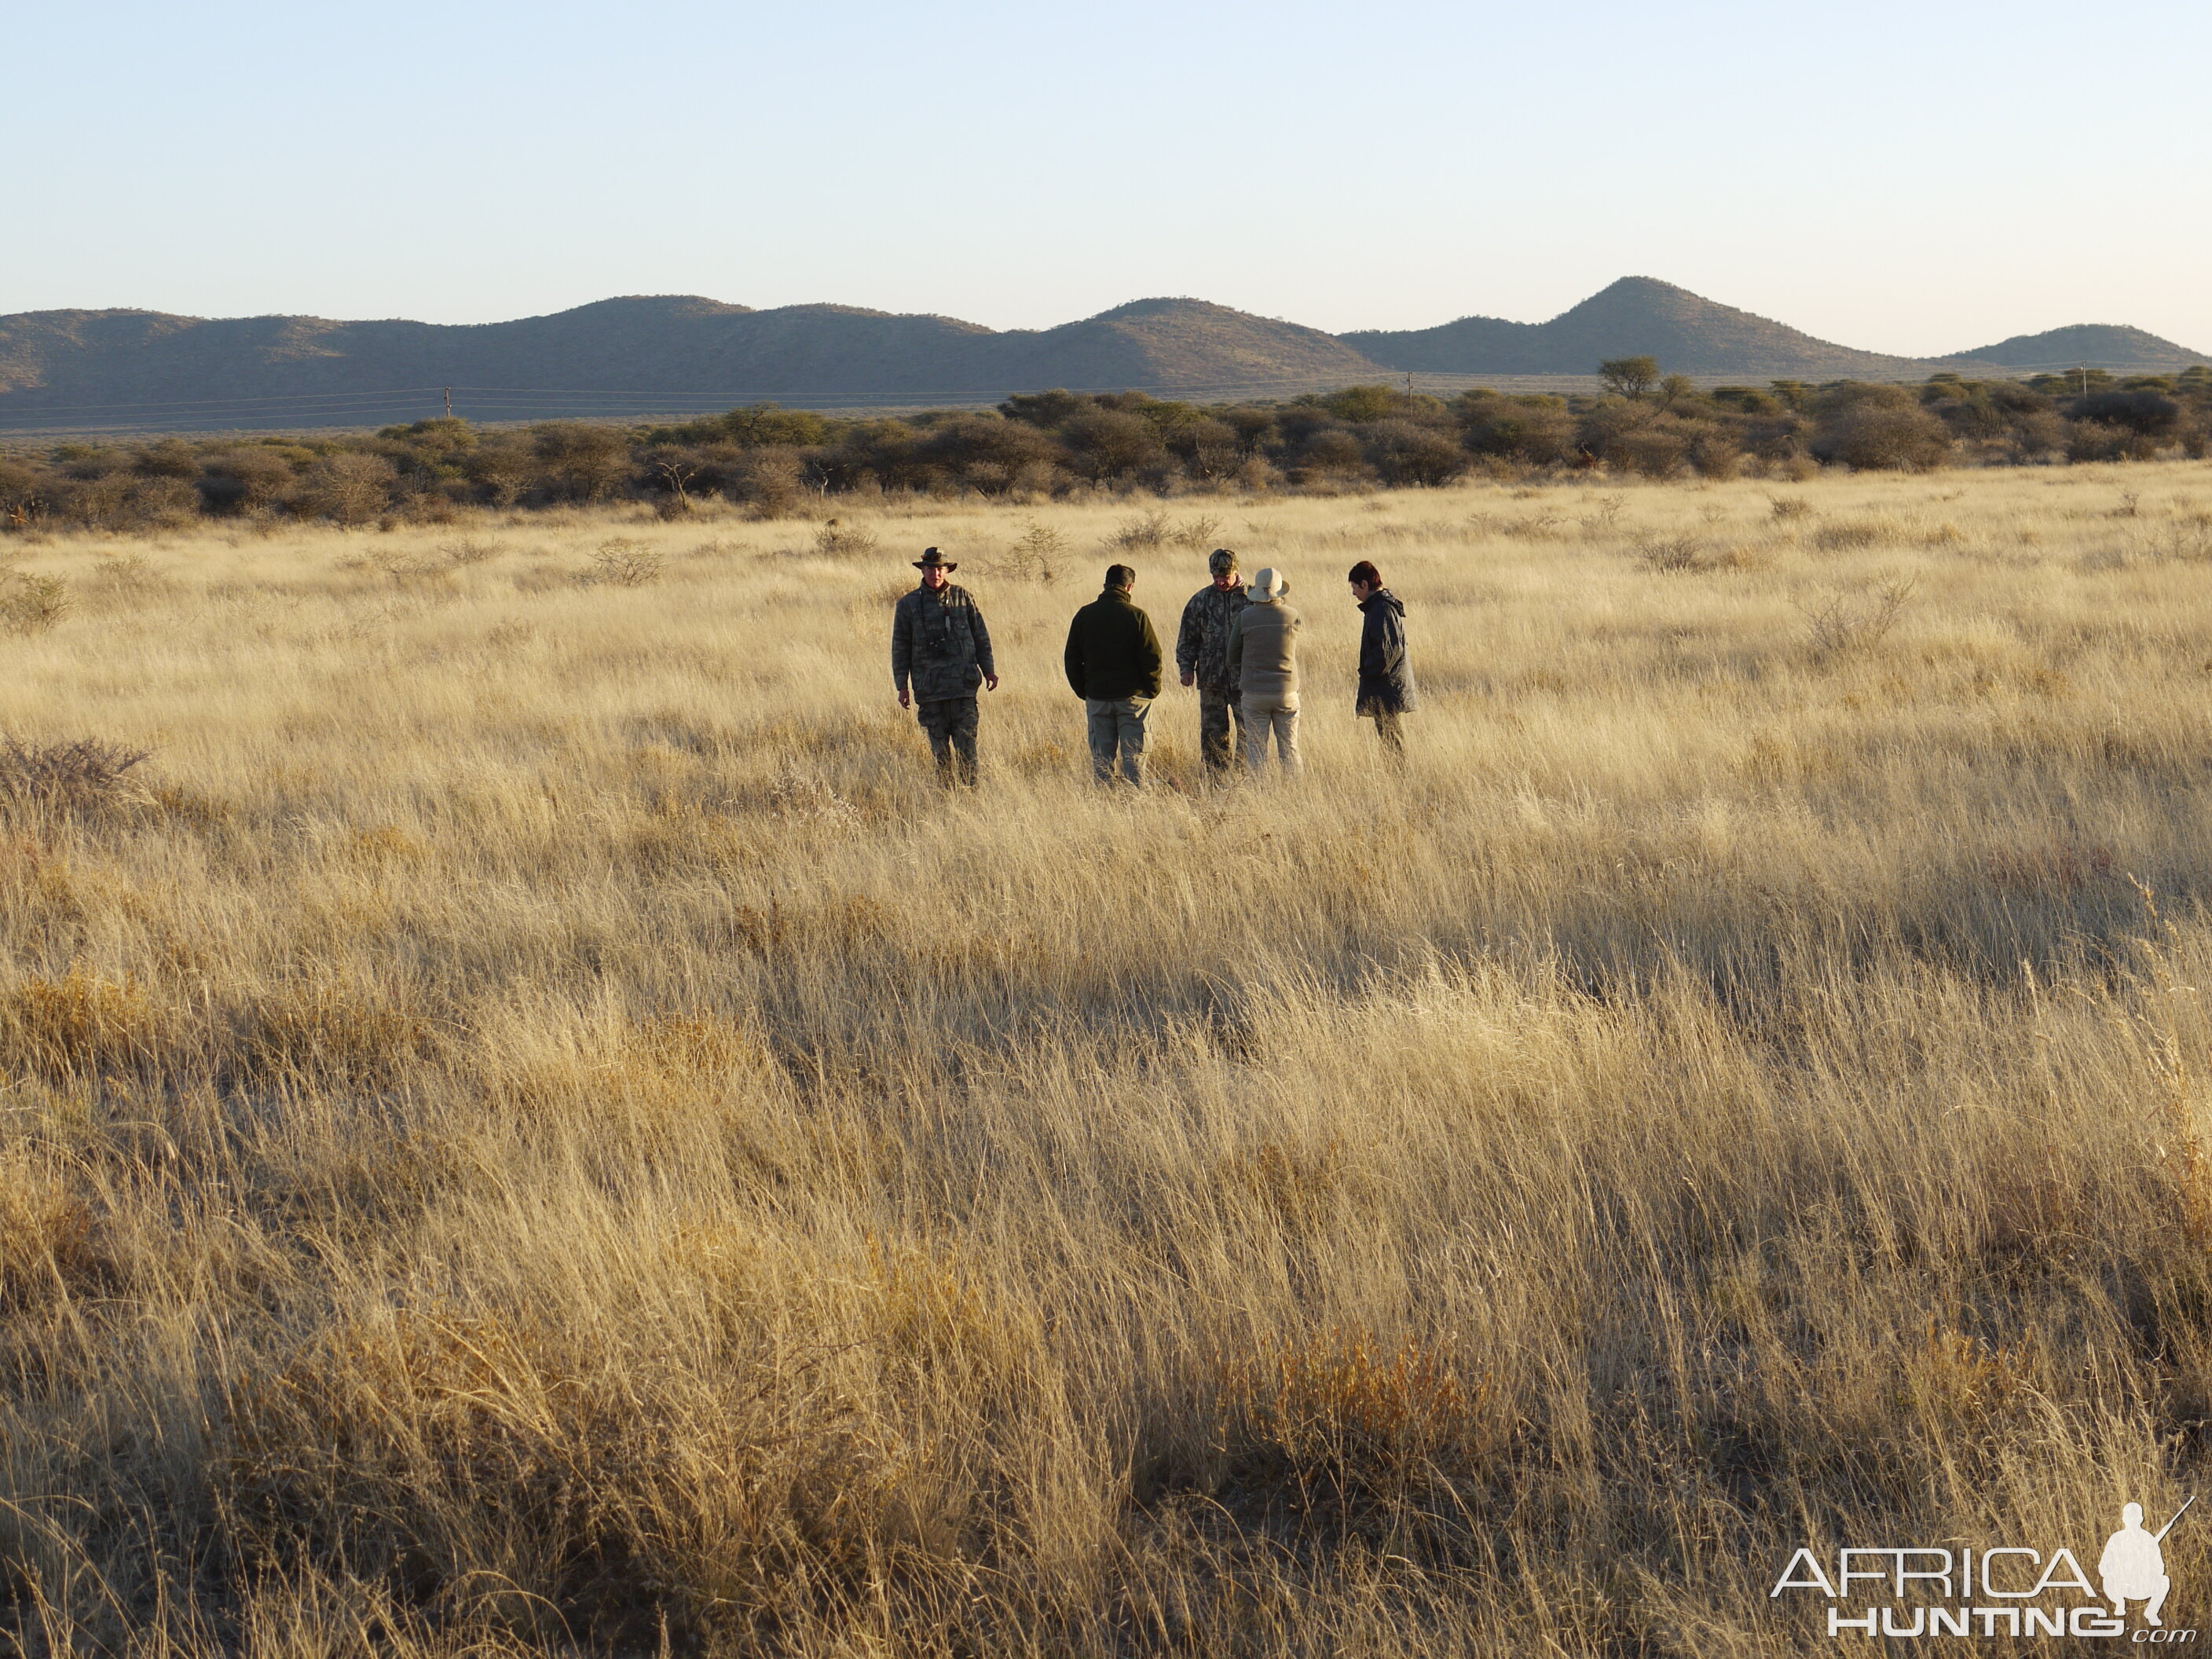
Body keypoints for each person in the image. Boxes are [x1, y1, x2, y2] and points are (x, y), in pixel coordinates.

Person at [891, 547, 997, 786]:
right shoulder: (908, 605)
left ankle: (971, 796)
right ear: (923, 570)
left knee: (967, 747)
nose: (935, 574)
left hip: (963, 687)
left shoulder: (963, 598)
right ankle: (945, 796)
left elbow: (981, 636)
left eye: (940, 568)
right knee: (939, 751)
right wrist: (902, 686)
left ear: (947, 570)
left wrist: (988, 669)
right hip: (930, 690)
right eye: (930, 568)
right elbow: (900, 648)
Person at [1064, 562, 1163, 786]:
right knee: (1134, 762)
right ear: (1130, 587)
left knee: (1102, 763)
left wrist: (1085, 691)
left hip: (1097, 699)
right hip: (1133, 701)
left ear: (1105, 586)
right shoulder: (1137, 616)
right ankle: (1137, 809)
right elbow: (1153, 657)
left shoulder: (1084, 615)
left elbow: (1071, 658)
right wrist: (1151, 690)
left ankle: (1105, 811)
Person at [1176, 548, 1250, 778]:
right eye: (1215, 576)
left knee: (1249, 733)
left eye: (1224, 577)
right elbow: (1187, 638)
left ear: (1236, 572)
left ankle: (1244, 779)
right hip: (1211, 681)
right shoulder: (1200, 601)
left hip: (1245, 682)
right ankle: (1216, 780)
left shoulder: (1254, 599)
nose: (1220, 581)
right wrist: (1186, 668)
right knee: (1212, 736)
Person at [1225, 567, 1301, 775]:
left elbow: (1232, 656)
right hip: (1286, 692)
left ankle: (1259, 796)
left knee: (1256, 751)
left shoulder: (1245, 617)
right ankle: (1295, 793)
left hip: (1254, 693)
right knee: (1290, 749)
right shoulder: (1292, 615)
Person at [1348, 559, 1415, 758]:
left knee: (1393, 743)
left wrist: (1366, 672)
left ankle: (1400, 783)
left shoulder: (1381, 610)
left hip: (1388, 691)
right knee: (1390, 740)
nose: (1353, 593)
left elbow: (1387, 653)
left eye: (1354, 587)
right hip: (1387, 689)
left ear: (1365, 584)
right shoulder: (1378, 607)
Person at [2100, 1502, 2173, 1626]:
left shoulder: (2148, 1539)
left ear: (2141, 1519)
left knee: (2164, 1581)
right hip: (2122, 1587)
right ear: (2124, 1519)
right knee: (2108, 1579)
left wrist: (2144, 1566)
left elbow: (2160, 1568)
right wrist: (2120, 1569)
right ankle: (2119, 1603)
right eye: (2130, 1518)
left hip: (2143, 1586)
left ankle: (2151, 1612)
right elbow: (2103, 1567)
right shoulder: (2116, 1539)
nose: (2132, 1522)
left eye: (2134, 1519)